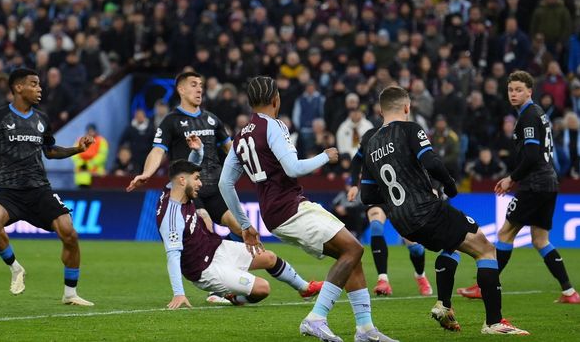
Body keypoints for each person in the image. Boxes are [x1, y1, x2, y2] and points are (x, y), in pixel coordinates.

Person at [219, 76, 397, 342]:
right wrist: (327, 156)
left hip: (275, 212)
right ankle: (316, 318)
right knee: (353, 249)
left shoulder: (241, 136)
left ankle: (365, 329)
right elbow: (294, 168)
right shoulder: (274, 126)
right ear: (275, 100)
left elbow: (225, 183)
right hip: (290, 207)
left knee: (350, 254)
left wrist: (245, 225)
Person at [360, 86, 528, 334]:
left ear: (381, 110)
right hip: (426, 210)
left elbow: (367, 195)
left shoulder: (370, 143)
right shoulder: (410, 129)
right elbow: (432, 162)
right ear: (407, 107)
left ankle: (444, 305)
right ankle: (494, 322)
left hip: (401, 221)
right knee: (485, 248)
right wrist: (450, 186)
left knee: (452, 245)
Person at [0, 68, 94, 306]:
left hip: (38, 189)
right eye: (34, 84)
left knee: (70, 233)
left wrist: (77, 149)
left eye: (40, 84)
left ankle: (70, 293)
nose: (39, 88)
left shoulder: (41, 119)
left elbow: (50, 152)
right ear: (18, 88)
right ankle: (15, 268)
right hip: (6, 189)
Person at [457, 71, 580, 304]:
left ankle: (485, 286)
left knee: (505, 233)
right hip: (549, 183)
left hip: (535, 184)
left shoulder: (529, 116)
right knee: (540, 239)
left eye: (519, 90)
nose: (514, 94)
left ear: (530, 91)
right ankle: (569, 292)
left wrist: (511, 178)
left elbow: (532, 156)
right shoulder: (536, 114)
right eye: (511, 90)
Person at [127, 71, 244, 304]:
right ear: (181, 90)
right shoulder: (171, 121)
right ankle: (217, 290)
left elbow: (230, 149)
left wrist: (252, 168)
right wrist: (147, 173)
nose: (199, 89)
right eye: (193, 85)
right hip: (191, 190)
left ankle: (234, 281)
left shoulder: (212, 119)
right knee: (205, 225)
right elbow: (158, 150)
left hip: (216, 186)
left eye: (201, 85)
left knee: (241, 228)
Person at [160, 155, 322, 310]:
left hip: (216, 247)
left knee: (270, 258)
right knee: (262, 288)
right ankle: (235, 298)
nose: (200, 183)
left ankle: (304, 288)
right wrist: (179, 294)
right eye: (197, 179)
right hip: (206, 269)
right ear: (182, 181)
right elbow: (173, 257)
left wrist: (198, 151)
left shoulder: (174, 189)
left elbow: (186, 169)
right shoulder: (172, 218)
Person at [347, 127, 433, 297]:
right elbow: (356, 160)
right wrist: (353, 185)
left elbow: (424, 162)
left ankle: (420, 276)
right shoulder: (369, 136)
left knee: (415, 247)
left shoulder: (404, 135)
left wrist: (431, 188)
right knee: (376, 227)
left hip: (400, 196)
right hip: (376, 195)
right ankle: (383, 280)